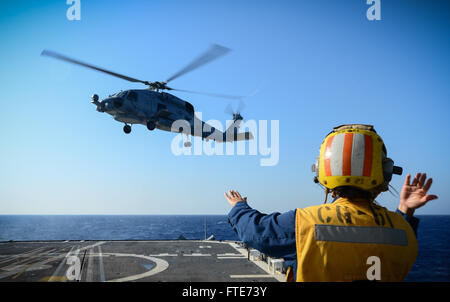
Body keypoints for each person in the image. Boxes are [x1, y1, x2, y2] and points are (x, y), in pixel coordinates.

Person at [224, 124, 438, 282]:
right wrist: (405, 211)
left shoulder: (305, 222)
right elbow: (385, 236)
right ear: (384, 173)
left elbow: (256, 231)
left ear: (323, 172)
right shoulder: (402, 231)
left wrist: (239, 207)